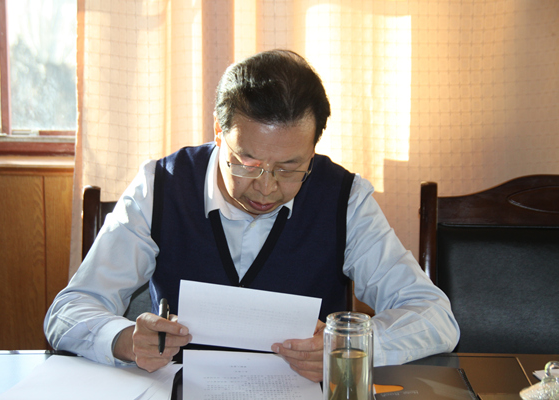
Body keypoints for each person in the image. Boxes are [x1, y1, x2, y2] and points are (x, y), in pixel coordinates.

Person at [44, 49, 459, 383]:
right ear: (218, 132)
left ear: (313, 149)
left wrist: (349, 346)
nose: (266, 187)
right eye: (247, 163)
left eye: (289, 169)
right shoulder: (161, 186)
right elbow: (70, 308)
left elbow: (434, 315)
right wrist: (122, 339)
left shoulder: (344, 198)